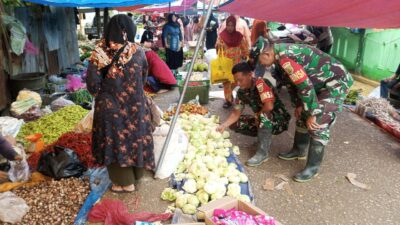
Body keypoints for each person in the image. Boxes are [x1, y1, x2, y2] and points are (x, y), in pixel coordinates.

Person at [256, 41, 353, 182]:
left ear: (267, 53)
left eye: (262, 61)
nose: (263, 65)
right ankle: (299, 150)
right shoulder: (277, 59)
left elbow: (305, 87)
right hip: (316, 84)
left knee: (318, 122)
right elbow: (292, 84)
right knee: (302, 115)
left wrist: (313, 113)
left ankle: (313, 167)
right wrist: (299, 104)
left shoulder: (286, 58)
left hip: (335, 83)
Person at [87, 14, 154, 193]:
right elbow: (144, 76)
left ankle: (123, 183)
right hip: (136, 105)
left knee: (115, 141)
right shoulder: (138, 51)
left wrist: (105, 94)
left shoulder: (100, 52)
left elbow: (92, 84)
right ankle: (136, 175)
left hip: (110, 107)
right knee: (134, 138)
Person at [217, 62, 290, 166]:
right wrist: (223, 126)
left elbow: (269, 107)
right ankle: (263, 138)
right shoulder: (241, 92)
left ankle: (262, 153)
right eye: (236, 81)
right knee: (234, 123)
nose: (238, 84)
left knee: (264, 116)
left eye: (240, 80)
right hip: (261, 118)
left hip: (279, 119)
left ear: (250, 75)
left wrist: (258, 115)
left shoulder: (261, 83)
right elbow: (235, 114)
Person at [215, 15, 249, 108]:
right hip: (225, 63)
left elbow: (244, 49)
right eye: (228, 25)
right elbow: (217, 48)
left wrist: (247, 57)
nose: (230, 27)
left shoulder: (239, 36)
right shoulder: (222, 36)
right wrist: (218, 45)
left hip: (236, 63)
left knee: (235, 81)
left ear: (234, 26)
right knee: (226, 82)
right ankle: (228, 100)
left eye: (232, 25)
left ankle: (230, 95)